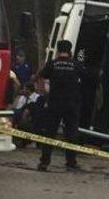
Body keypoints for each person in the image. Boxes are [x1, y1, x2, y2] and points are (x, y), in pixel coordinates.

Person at [35, 40, 86, 172]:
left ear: (57, 50)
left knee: (50, 132)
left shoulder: (52, 64)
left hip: (55, 103)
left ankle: (44, 162)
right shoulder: (76, 64)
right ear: (70, 51)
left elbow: (42, 75)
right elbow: (85, 76)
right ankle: (71, 162)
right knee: (72, 133)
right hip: (71, 104)